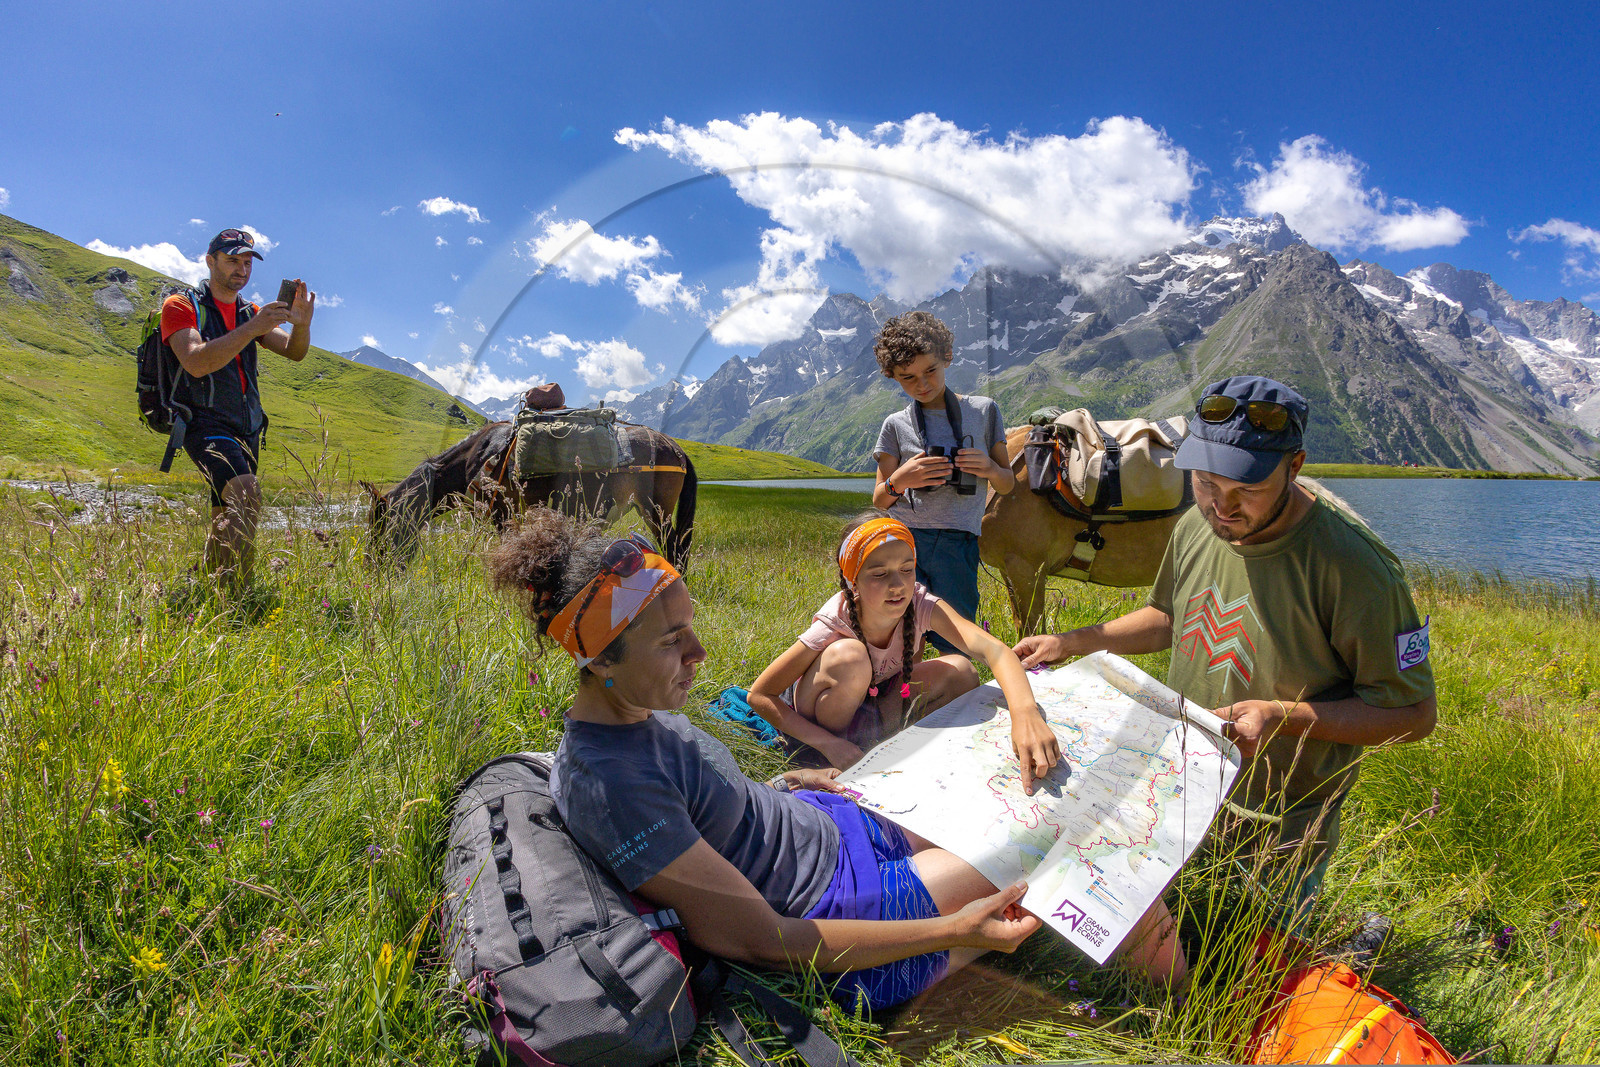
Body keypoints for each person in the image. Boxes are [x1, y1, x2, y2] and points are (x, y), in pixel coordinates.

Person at [485, 511, 1045, 1010]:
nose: (699, 653)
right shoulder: (612, 786)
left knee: (1008, 814)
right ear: (601, 658)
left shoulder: (637, 710)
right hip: (835, 906)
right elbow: (763, 941)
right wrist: (952, 930)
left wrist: (793, 781)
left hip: (832, 821)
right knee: (1032, 858)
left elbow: (720, 807)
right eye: (671, 640)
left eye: (690, 627)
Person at [1013, 375, 1437, 983]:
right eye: (1205, 483)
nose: (1221, 505)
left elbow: (1413, 715)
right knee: (1170, 936)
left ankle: (1342, 946)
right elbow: (1168, 616)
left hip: (1282, 816)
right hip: (1185, 787)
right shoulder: (1195, 527)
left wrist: (1283, 716)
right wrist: (1074, 641)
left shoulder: (1356, 569)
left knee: (1259, 968)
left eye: (1247, 489)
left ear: (1296, 466)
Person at [747, 511, 1063, 787]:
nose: (898, 585)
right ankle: (833, 752)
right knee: (851, 658)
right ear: (852, 581)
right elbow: (760, 695)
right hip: (823, 723)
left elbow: (994, 651)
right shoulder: (835, 620)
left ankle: (882, 745)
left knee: (962, 670)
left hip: (877, 700)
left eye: (907, 568)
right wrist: (828, 743)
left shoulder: (919, 604)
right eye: (879, 574)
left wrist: (1026, 714)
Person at [161, 228, 314, 590]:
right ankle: (242, 598)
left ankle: (205, 590)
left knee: (224, 518)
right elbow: (195, 362)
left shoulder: (249, 312)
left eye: (247, 262)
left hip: (247, 429)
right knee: (246, 493)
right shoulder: (182, 307)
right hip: (203, 422)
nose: (242, 269)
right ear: (210, 260)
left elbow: (294, 350)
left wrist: (303, 325)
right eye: (232, 260)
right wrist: (251, 328)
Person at [870, 312, 1013, 652]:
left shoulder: (984, 411)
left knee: (957, 639)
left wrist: (989, 469)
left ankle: (950, 698)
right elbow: (879, 499)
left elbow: (1007, 484)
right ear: (893, 376)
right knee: (904, 639)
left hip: (958, 543)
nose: (923, 384)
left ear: (947, 357)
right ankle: (905, 699)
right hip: (904, 543)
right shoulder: (895, 424)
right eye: (908, 378)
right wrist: (901, 479)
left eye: (931, 370)